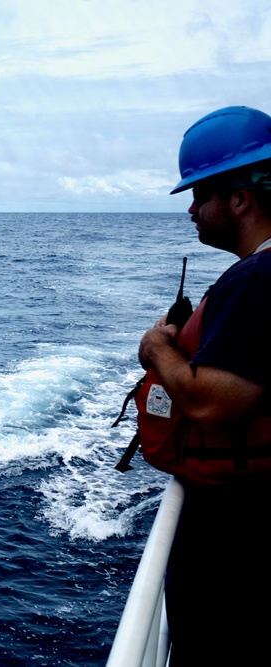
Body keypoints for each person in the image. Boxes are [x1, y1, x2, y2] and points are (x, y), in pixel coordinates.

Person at [135, 106, 271, 665]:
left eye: (200, 195)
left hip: (244, 534)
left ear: (240, 197)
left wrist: (157, 349)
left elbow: (214, 405)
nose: (191, 209)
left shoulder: (260, 278)